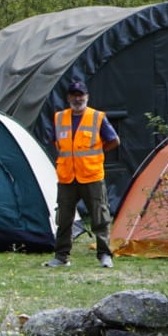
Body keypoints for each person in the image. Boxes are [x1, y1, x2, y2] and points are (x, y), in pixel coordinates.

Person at [47, 79, 120, 269]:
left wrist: (97, 154)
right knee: (64, 218)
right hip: (67, 177)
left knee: (100, 217)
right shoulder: (59, 118)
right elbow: (56, 142)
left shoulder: (97, 117)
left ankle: (105, 255)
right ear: (68, 98)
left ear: (87, 97)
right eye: (74, 95)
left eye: (81, 95)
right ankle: (61, 256)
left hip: (91, 175)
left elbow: (114, 140)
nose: (77, 99)